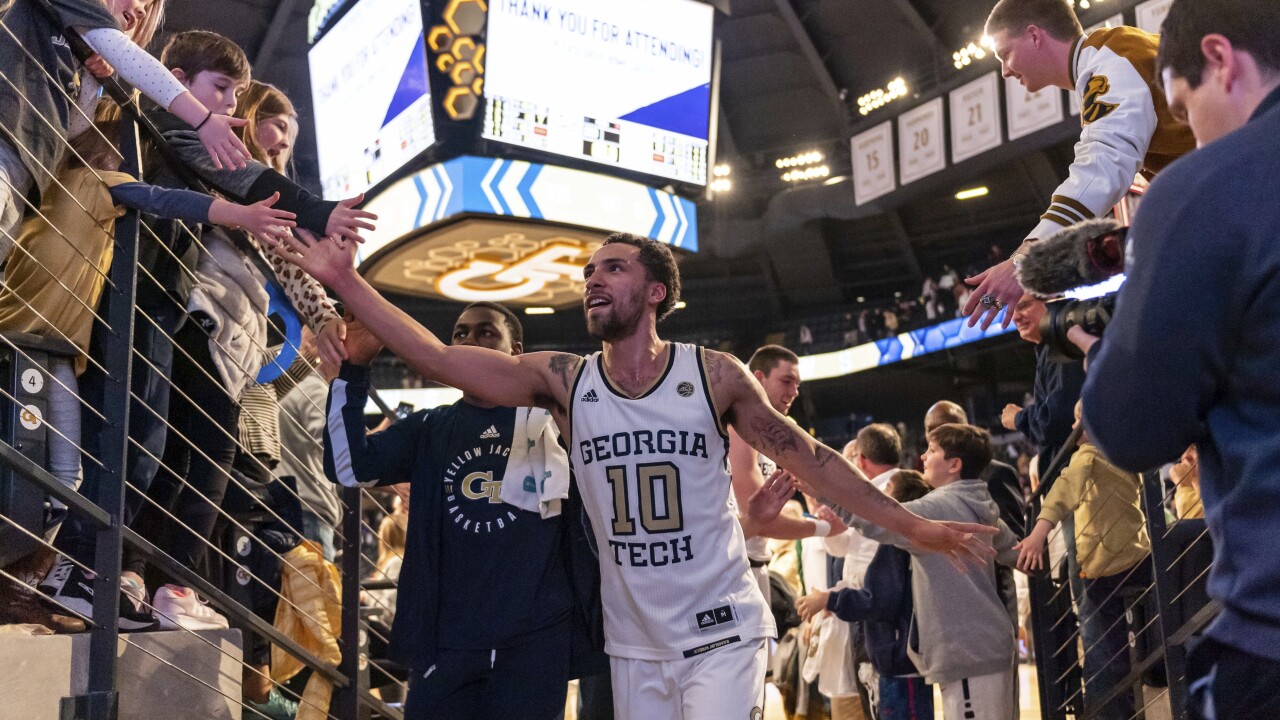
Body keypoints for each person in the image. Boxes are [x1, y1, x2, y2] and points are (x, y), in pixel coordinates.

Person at [274, 228, 997, 720]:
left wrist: (912, 527)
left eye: (612, 268)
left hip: (720, 627)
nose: (593, 278)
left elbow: (812, 458)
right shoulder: (562, 381)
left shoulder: (713, 375)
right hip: (632, 639)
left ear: (657, 292)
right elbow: (439, 358)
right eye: (588, 271)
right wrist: (348, 281)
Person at [1076, 0, 1280, 716]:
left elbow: (1128, 427)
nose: (1191, 136)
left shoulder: (1205, 188)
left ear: (1220, 59)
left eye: (1185, 107)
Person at [963, 0, 1196, 328]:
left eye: (1005, 54)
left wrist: (1024, 260)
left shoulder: (1109, 60)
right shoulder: (1113, 53)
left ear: (1034, 36)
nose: (1005, 70)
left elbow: (1101, 168)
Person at [0, 0, 251, 260]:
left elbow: (73, 128)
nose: (142, 9)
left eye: (148, 5)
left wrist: (90, 75)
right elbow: (126, 55)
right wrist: (204, 120)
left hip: (27, 170)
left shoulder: (73, 45)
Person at [813, 424, 1018, 720]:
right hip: (986, 646)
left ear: (954, 464)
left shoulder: (935, 507)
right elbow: (1020, 554)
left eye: (932, 450)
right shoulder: (980, 502)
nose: (923, 457)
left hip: (968, 653)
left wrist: (824, 493)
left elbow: (874, 520)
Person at [1014, 400, 1149, 720]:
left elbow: (1063, 491)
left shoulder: (1086, 455)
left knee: (1102, 649)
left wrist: (1037, 533)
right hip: (1139, 556)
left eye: (1077, 421)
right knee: (1136, 643)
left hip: (1102, 566)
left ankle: (1107, 713)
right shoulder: (1128, 454)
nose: (1073, 428)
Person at [800, 470, 935, 720]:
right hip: (901, 664)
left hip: (900, 665)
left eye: (887, 491)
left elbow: (878, 601)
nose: (880, 497)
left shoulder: (895, 544)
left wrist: (828, 600)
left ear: (896, 503)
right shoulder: (900, 541)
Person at [728, 344, 847, 606]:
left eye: (797, 385)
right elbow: (760, 518)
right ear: (758, 378)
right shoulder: (739, 428)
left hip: (756, 563)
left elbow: (816, 480)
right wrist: (824, 527)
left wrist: (823, 508)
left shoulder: (780, 431)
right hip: (734, 566)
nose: (794, 392)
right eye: (786, 381)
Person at [807, 424, 904, 720]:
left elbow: (864, 566)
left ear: (861, 460)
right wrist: (834, 525)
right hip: (874, 611)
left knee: (879, 702)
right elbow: (845, 547)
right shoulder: (881, 491)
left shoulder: (879, 492)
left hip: (876, 612)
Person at [1001, 294, 1085, 479]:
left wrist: (1018, 418)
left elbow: (1060, 417)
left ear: (1051, 301)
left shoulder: (1061, 345)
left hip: (1080, 480)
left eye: (1023, 306)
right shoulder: (1050, 347)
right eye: (1012, 309)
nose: (1015, 317)